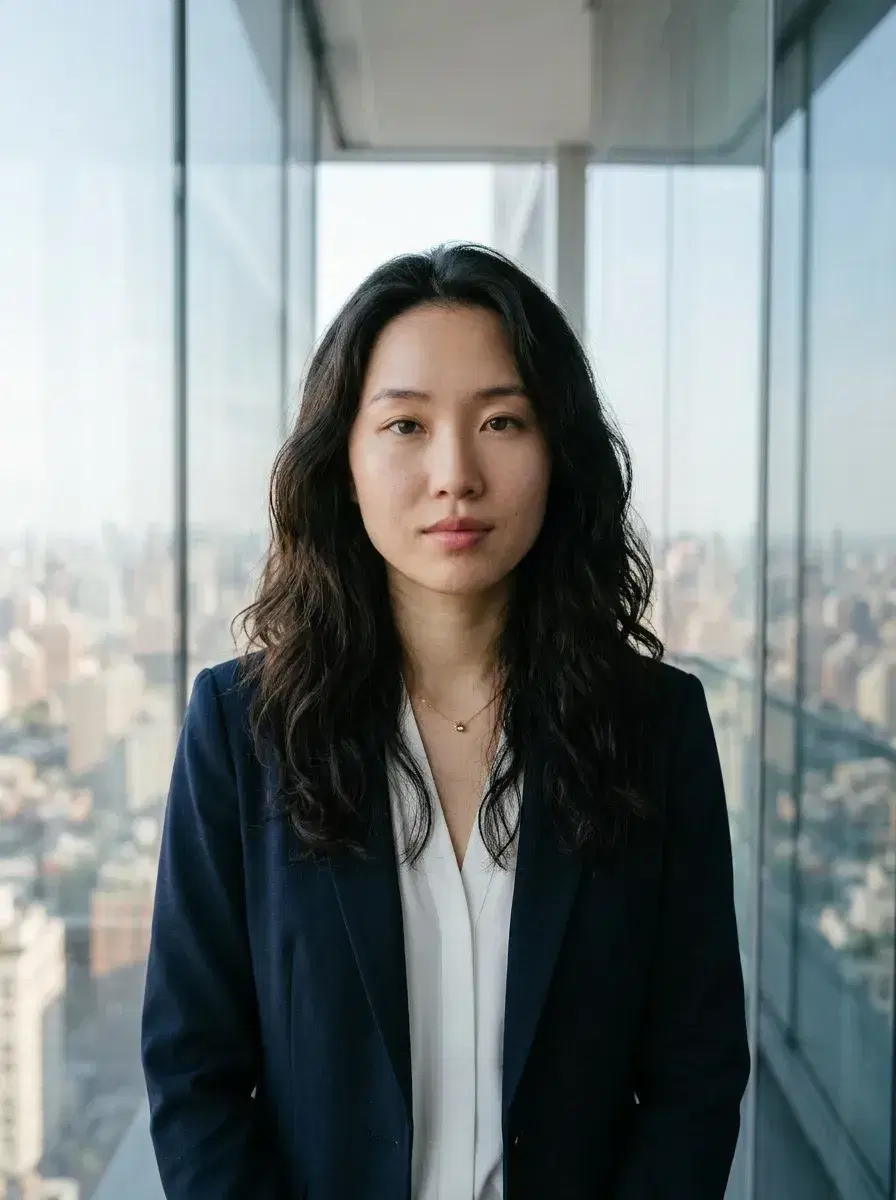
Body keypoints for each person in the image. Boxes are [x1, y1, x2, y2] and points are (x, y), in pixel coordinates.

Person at [141, 243, 750, 1200]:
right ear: (342, 459)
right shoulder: (240, 729)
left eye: (503, 420)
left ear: (558, 452)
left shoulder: (654, 725)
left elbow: (696, 1076)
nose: (455, 474)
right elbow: (194, 1077)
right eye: (407, 425)